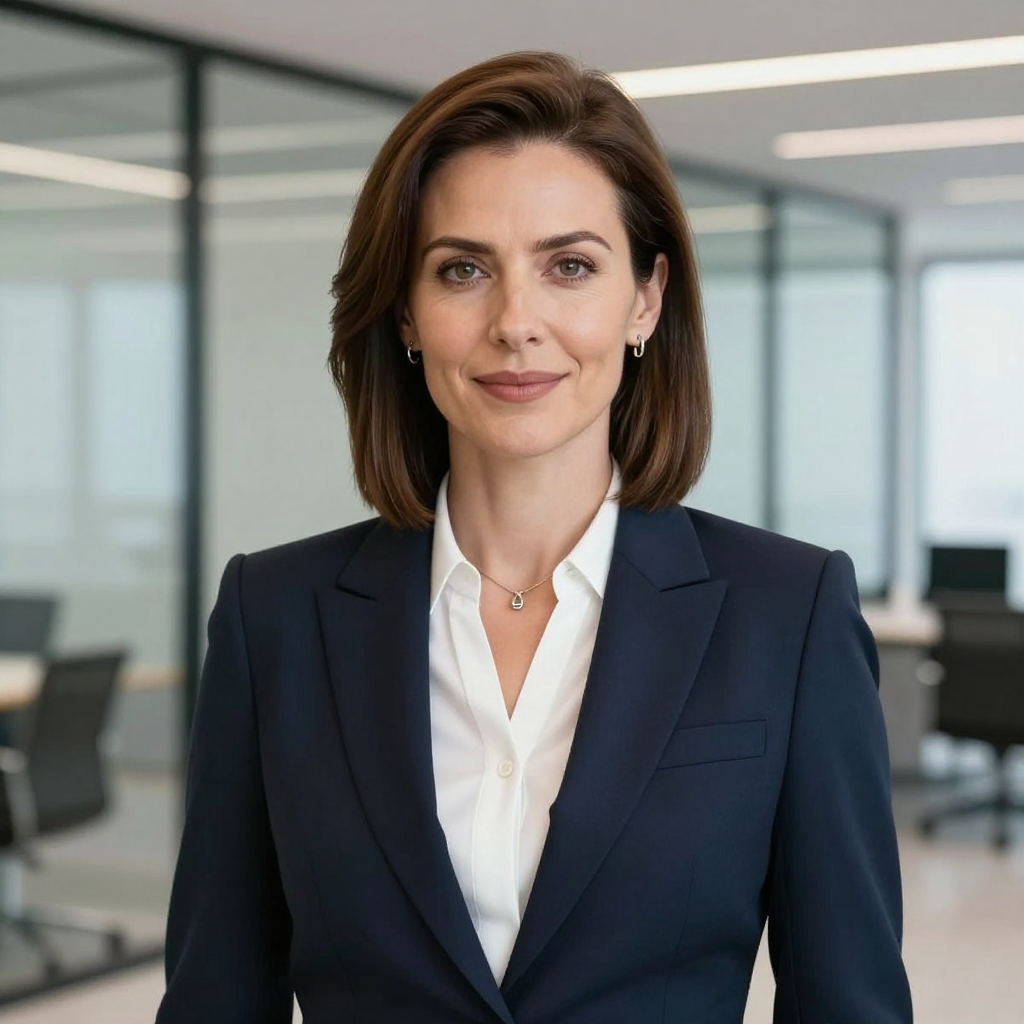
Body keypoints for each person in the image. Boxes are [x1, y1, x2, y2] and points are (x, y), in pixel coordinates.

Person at [156, 51, 912, 1024]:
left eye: (570, 267)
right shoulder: (275, 617)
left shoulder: (786, 614)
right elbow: (217, 996)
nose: (517, 323)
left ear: (644, 298)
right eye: (463, 269)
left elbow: (848, 1004)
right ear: (405, 312)